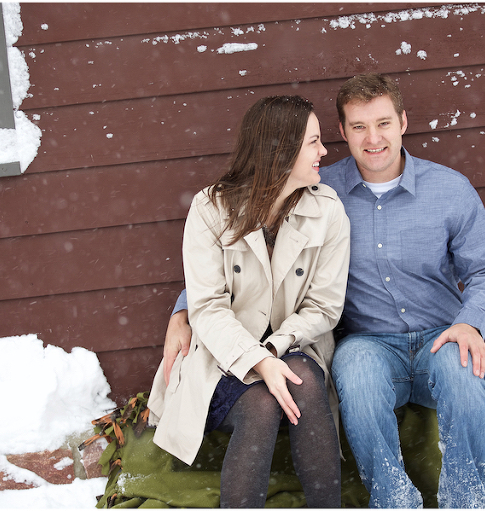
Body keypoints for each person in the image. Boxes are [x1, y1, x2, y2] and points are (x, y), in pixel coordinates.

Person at [165, 73, 485, 508]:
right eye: (358, 127)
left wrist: (469, 323)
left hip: (441, 334)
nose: (373, 139)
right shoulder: (317, 189)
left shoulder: (448, 190)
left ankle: (466, 503)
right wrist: (183, 311)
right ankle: (393, 501)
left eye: (383, 123)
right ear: (343, 131)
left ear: (403, 122)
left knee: (463, 373)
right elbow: (233, 259)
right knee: (356, 374)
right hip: (368, 342)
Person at [147, 95, 351, 508]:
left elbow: (325, 307)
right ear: (281, 149)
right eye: (313, 142)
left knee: (303, 380)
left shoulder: (327, 210)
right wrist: (258, 361)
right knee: (259, 403)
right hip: (222, 354)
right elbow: (207, 307)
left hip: (293, 345)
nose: (324, 152)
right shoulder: (211, 209)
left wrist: (275, 349)